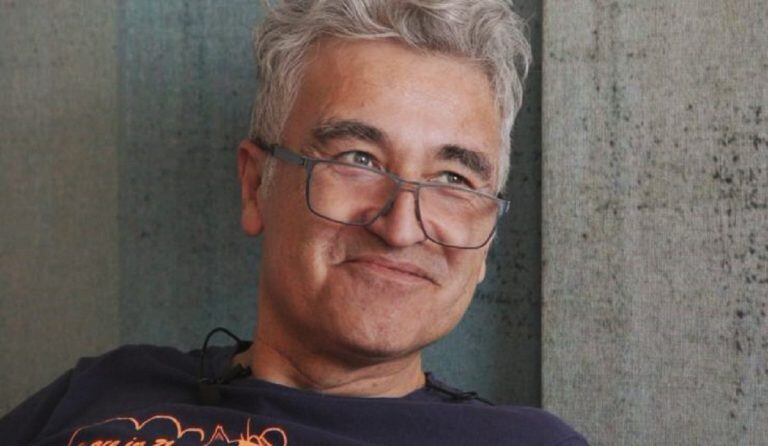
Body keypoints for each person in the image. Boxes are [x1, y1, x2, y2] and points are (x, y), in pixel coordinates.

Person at [0, 1, 588, 444]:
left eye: (453, 180)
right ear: (256, 186)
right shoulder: (98, 392)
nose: (402, 228)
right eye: (358, 160)